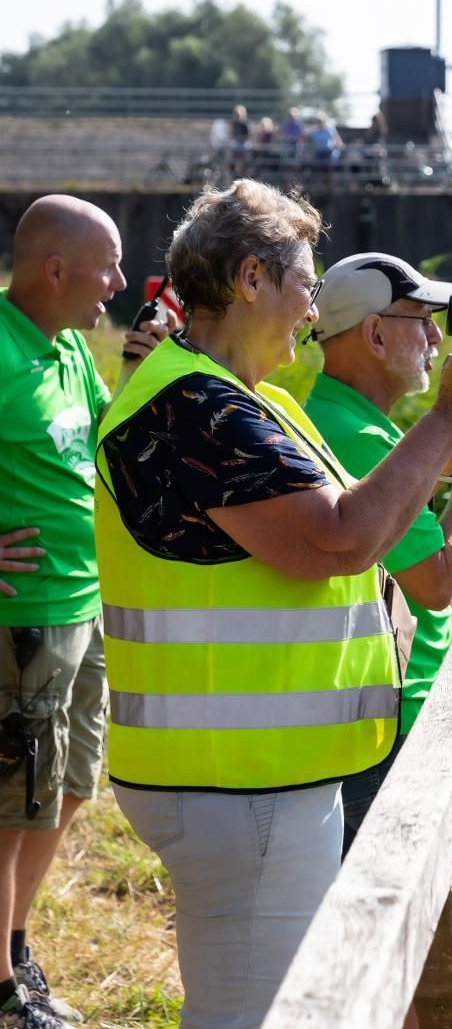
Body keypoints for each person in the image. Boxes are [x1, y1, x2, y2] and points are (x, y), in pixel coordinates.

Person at [94, 179, 452, 1029]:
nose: (311, 309)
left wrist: (445, 447)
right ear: (251, 278)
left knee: (251, 1002)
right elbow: (340, 543)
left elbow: (372, 526)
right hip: (237, 782)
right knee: (265, 1014)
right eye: (304, 284)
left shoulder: (246, 402)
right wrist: (449, 416)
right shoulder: (196, 410)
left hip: (248, 776)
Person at [0, 194, 169, 1029]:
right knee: (7, 807)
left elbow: (91, 447)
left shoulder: (69, 348)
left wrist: (135, 377)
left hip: (82, 604)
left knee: (64, 789)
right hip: (22, 619)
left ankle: (14, 947)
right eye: (105, 266)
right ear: (55, 267)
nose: (116, 284)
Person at [303, 252, 452, 856]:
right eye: (420, 320)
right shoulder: (360, 438)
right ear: (373, 333)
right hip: (395, 723)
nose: (434, 339)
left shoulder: (347, 422)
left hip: (388, 716)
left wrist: (449, 452)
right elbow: (437, 582)